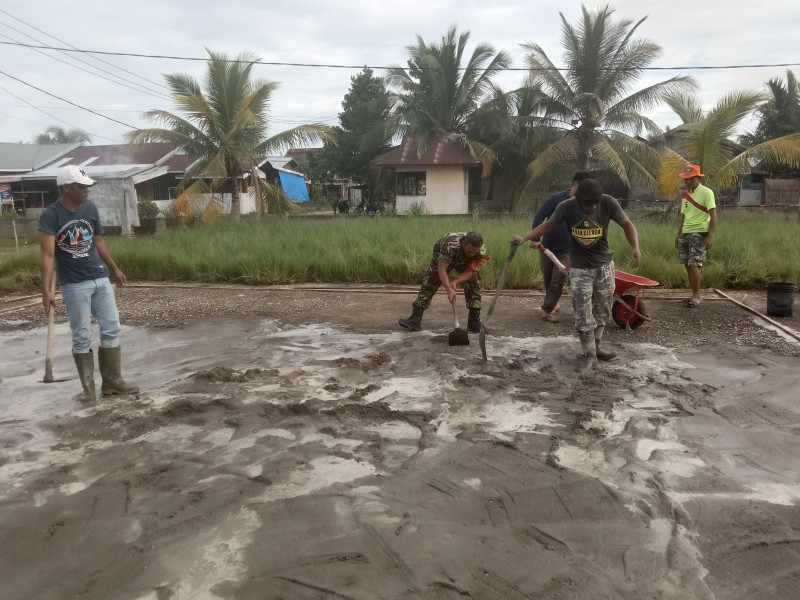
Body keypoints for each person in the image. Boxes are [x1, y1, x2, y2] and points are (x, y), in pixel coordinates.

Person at [512, 179, 642, 373]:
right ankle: (589, 355)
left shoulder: (608, 202)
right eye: (589, 203)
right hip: (580, 268)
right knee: (582, 312)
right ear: (578, 199)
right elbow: (547, 226)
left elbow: (626, 224)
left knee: (604, 308)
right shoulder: (567, 206)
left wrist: (635, 247)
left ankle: (597, 348)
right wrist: (524, 238)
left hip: (605, 266)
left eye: (595, 202)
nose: (594, 206)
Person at [39, 165, 139, 401]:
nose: (86, 191)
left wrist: (114, 268)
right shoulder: (51, 215)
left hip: (99, 277)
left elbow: (99, 241)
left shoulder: (90, 208)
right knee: (82, 335)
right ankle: (88, 390)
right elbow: (48, 255)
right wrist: (46, 290)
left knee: (112, 327)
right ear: (66, 188)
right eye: (81, 186)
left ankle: (112, 383)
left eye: (87, 186)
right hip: (74, 284)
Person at [531, 171, 593, 322]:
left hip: (568, 250)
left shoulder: (583, 204)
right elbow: (540, 216)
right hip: (547, 247)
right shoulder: (556, 199)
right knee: (548, 278)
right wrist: (535, 238)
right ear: (575, 184)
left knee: (557, 279)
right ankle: (553, 303)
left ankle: (547, 311)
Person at [398, 231, 489, 333]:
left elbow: (471, 271)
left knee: (474, 281)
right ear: (463, 244)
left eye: (474, 252)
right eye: (469, 251)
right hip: (442, 252)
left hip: (462, 257)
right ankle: (415, 319)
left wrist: (456, 282)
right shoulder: (449, 247)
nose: (472, 254)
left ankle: (474, 323)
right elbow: (441, 269)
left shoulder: (481, 251)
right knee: (432, 279)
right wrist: (448, 289)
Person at [675, 164, 717, 308]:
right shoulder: (685, 194)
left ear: (698, 177)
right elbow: (683, 216)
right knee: (687, 265)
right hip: (686, 232)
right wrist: (678, 235)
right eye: (686, 178)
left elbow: (713, 215)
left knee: (694, 265)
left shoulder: (707, 192)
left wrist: (710, 236)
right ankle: (693, 294)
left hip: (699, 232)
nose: (688, 181)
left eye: (691, 178)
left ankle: (697, 296)